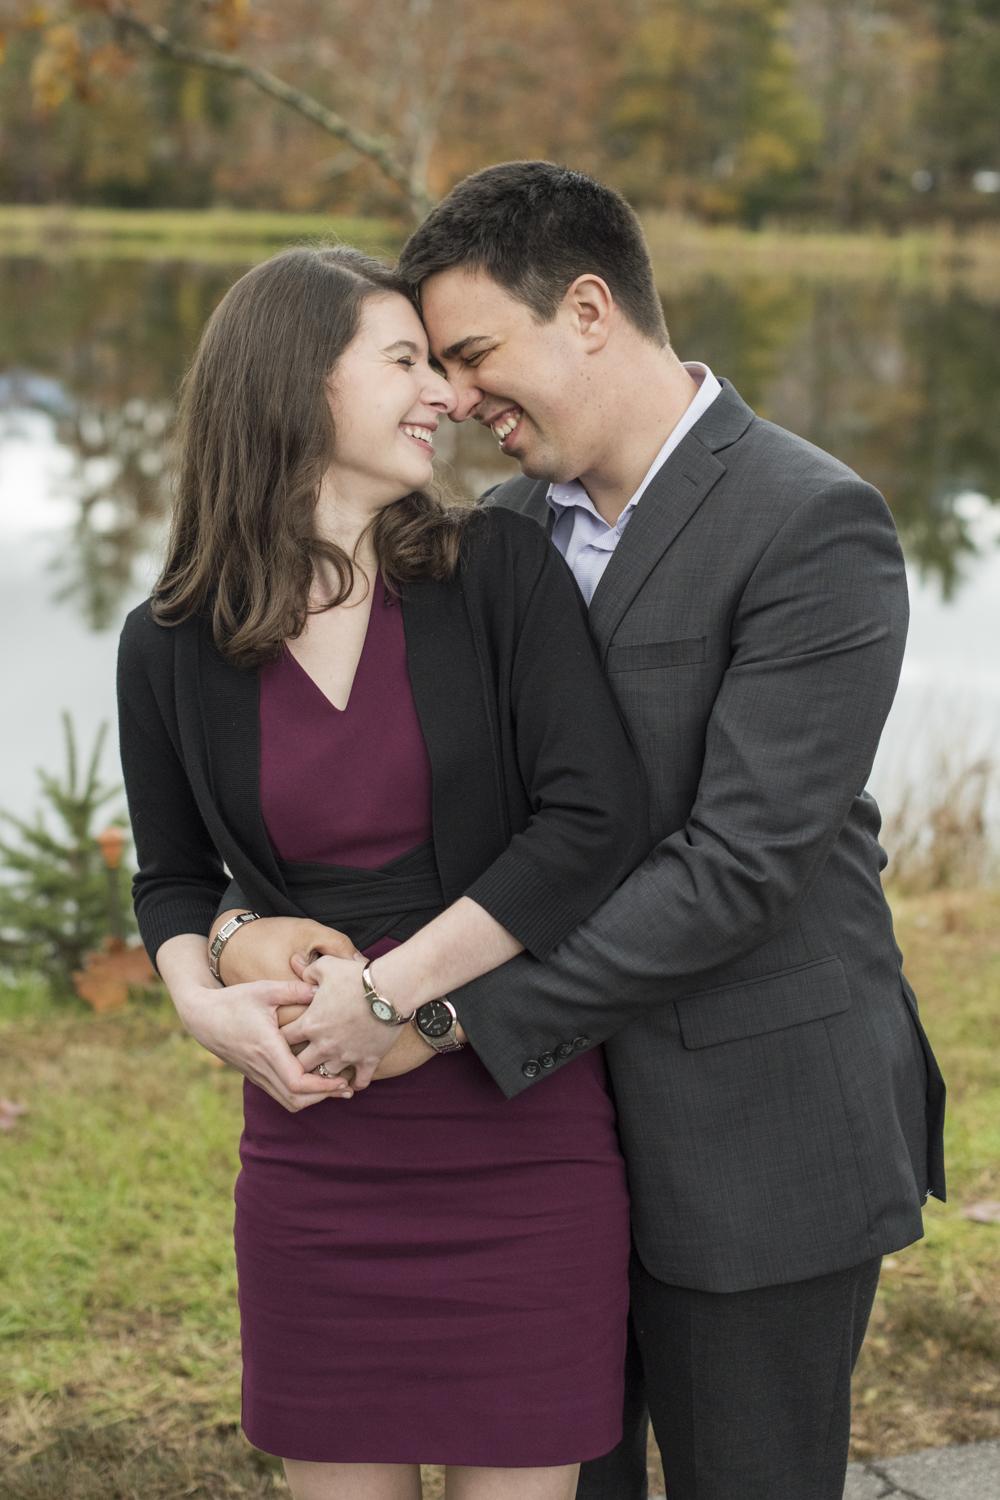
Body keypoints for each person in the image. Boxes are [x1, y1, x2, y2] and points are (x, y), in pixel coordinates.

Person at [229, 165, 947, 1500]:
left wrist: (434, 1016)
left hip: (756, 1132)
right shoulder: (491, 539)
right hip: (542, 1159)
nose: (454, 397)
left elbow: (740, 866)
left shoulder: (810, 522)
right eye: (432, 366)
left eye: (477, 353)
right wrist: (238, 936)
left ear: (593, 309)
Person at [116, 244, 652, 1500]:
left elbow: (591, 822)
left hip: (522, 1138)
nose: (446, 395)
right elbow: (174, 879)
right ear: (301, 388)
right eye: (407, 360)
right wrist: (199, 997)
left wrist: (396, 992)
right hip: (317, 1155)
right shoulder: (171, 642)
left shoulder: (497, 573)